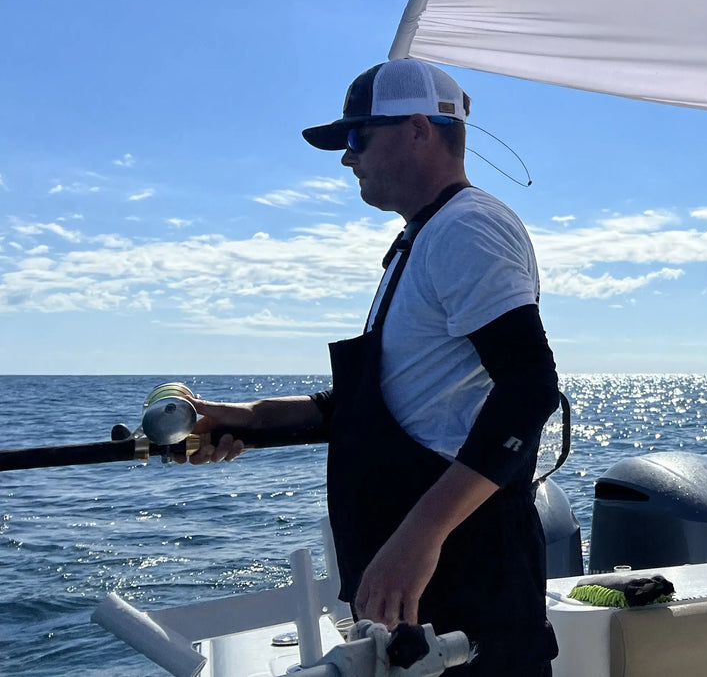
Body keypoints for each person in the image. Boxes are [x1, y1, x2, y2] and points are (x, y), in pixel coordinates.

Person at [184, 58, 560, 675]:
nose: (347, 157)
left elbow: (530, 388)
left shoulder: (468, 228)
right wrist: (246, 418)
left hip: (466, 569)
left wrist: (419, 538)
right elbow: (376, 403)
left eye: (358, 137)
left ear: (417, 129)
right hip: (421, 577)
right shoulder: (423, 237)